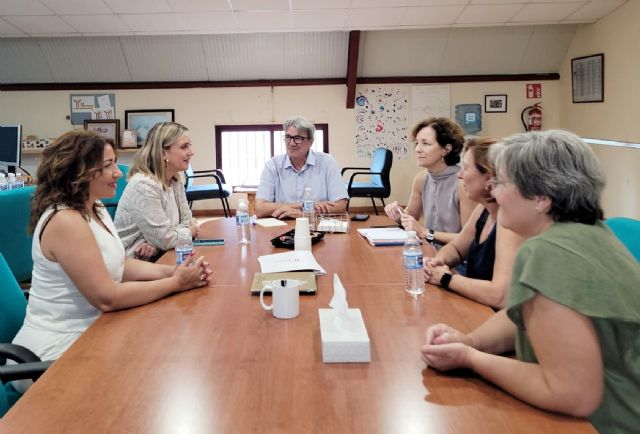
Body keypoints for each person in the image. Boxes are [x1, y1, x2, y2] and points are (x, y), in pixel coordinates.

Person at [421, 130, 640, 434]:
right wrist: (470, 340)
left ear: (541, 197)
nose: (493, 192)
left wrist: (471, 359)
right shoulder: (594, 234)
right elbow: (533, 316)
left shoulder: (547, 252)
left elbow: (572, 394)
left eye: (501, 183)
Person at [11, 130, 212, 392]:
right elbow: (107, 297)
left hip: (94, 330)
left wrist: (173, 271)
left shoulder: (94, 208)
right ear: (79, 173)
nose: (118, 173)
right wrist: (176, 283)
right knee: (151, 373)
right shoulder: (65, 221)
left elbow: (121, 264)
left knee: (167, 349)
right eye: (108, 165)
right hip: (55, 350)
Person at [423, 137, 524, 308]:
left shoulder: (509, 222)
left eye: (466, 168)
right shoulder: (483, 209)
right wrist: (438, 262)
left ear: (488, 178)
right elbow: (456, 248)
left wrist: (446, 278)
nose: (460, 175)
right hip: (475, 305)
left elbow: (499, 295)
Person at [114, 122, 200, 260]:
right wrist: (193, 230)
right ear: (163, 153)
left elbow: (185, 220)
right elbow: (166, 239)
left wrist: (158, 243)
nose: (191, 152)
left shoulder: (175, 181)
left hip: (161, 254)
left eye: (189, 145)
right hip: (132, 263)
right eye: (184, 147)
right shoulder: (144, 185)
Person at [384, 118, 476, 245]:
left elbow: (469, 240)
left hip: (455, 258)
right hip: (428, 250)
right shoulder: (421, 179)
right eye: (417, 143)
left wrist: (425, 232)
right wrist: (399, 215)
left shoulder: (462, 183)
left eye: (425, 143)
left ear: (446, 149)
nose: (417, 149)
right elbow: (411, 217)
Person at [255, 116, 348, 219]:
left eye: (298, 138)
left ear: (310, 141)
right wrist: (303, 206)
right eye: (288, 137)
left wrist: (306, 214)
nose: (291, 143)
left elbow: (341, 206)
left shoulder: (327, 162)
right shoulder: (272, 165)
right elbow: (260, 208)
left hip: (316, 224)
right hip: (282, 226)